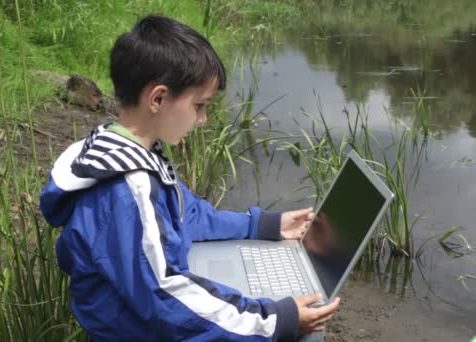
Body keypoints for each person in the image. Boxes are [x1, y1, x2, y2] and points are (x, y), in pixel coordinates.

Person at [39, 14, 340, 341]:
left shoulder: (131, 148)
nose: (203, 119)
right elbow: (165, 295)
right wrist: (273, 320)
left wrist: (265, 226)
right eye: (199, 105)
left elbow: (187, 215)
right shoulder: (127, 187)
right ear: (157, 99)